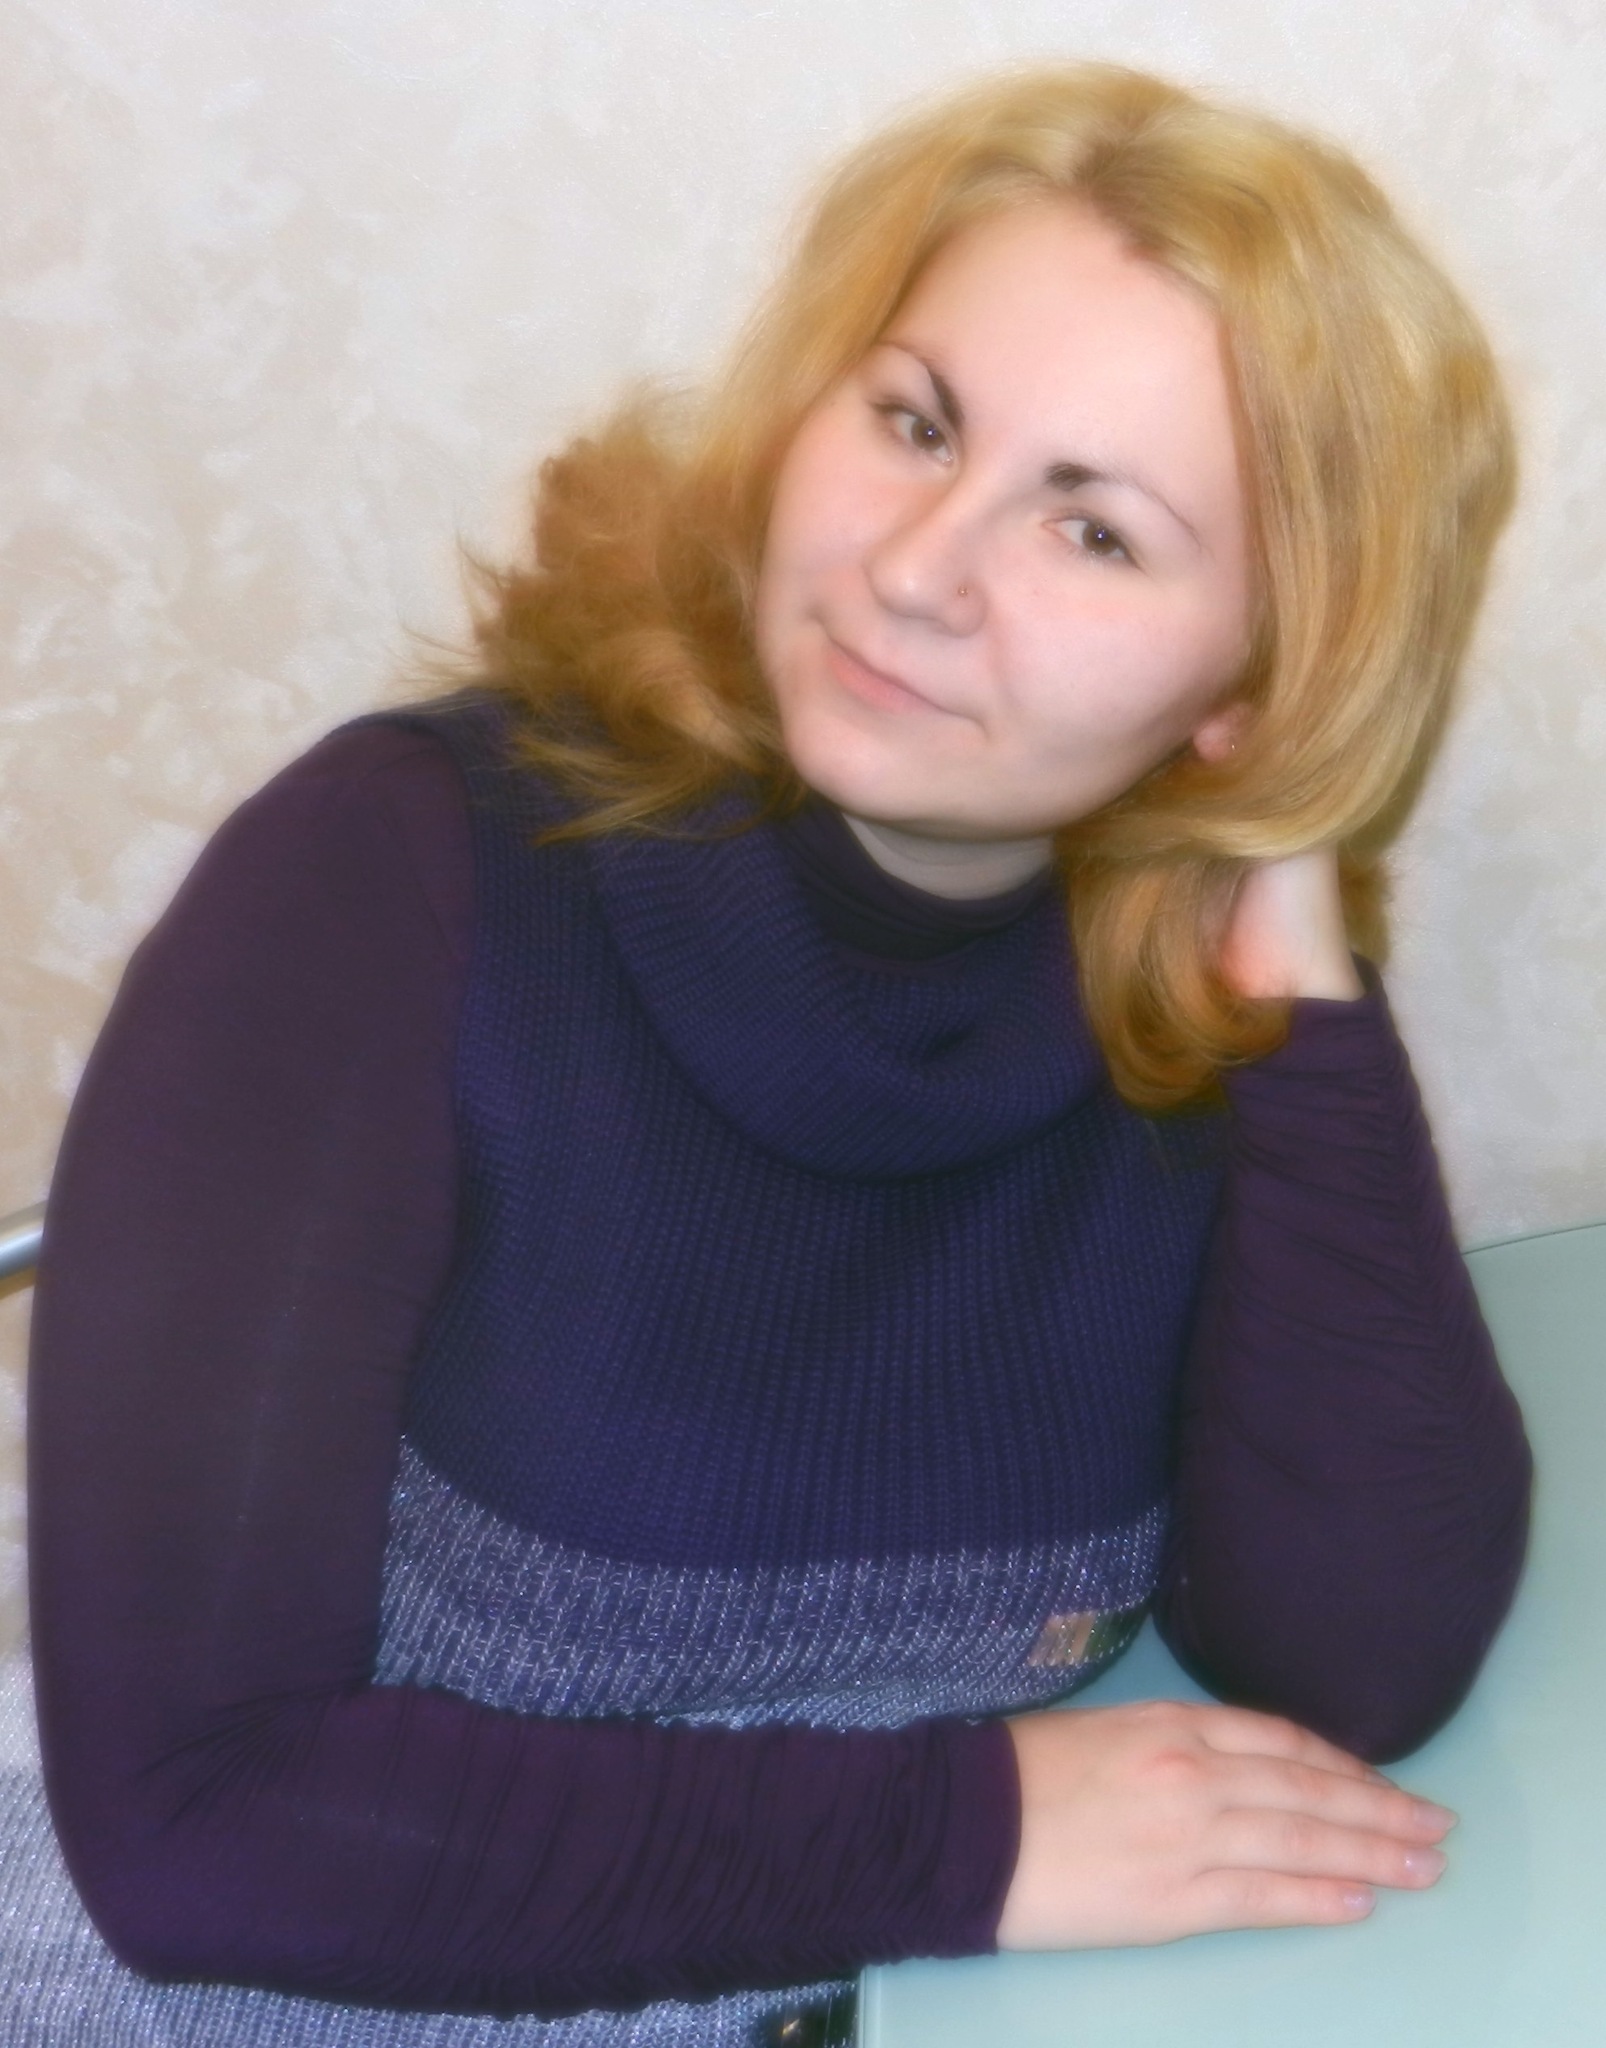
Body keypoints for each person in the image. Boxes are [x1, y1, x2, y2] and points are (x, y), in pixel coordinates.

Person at [21, 59, 1530, 2048]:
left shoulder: (1179, 999)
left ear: (1245, 693)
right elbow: (193, 1825)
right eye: (915, 422)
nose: (916, 565)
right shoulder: (388, 878)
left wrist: (1298, 977)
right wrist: (970, 1833)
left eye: (1093, 532)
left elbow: (1352, 1663)